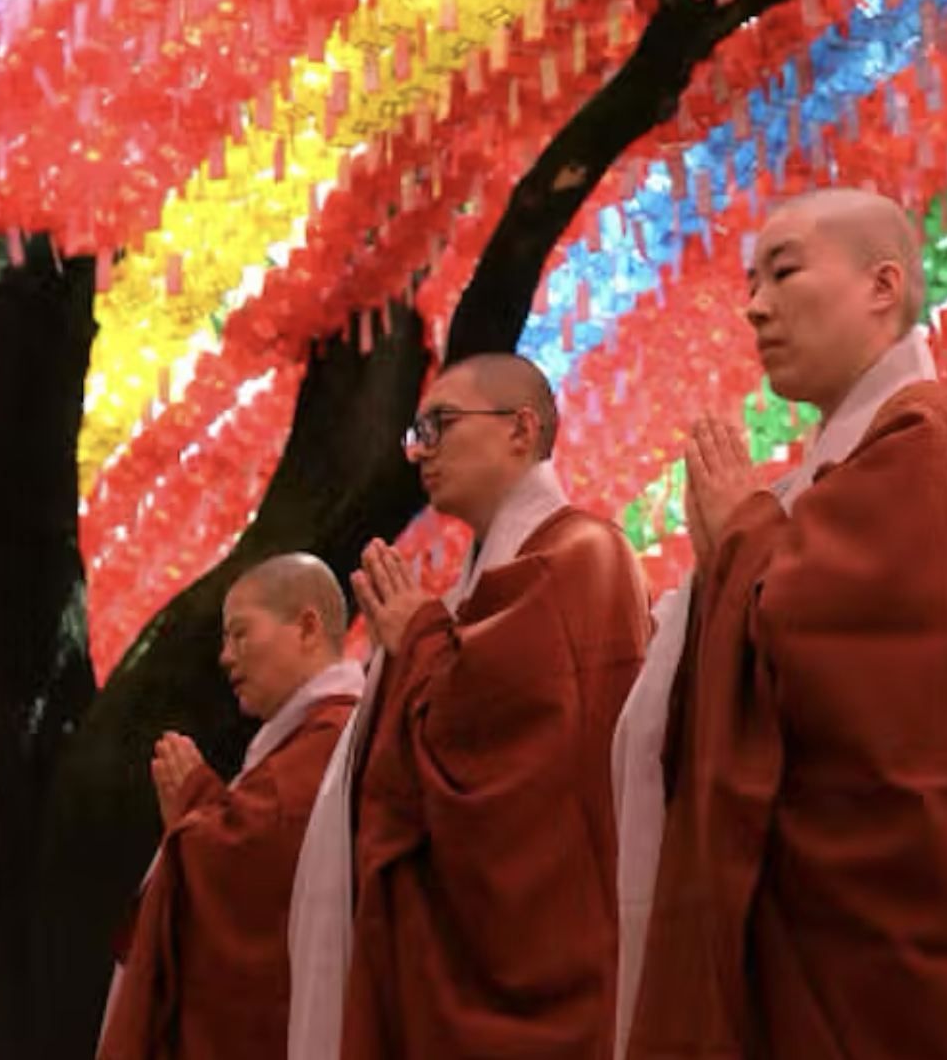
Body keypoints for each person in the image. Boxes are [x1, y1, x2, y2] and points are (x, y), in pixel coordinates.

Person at [621, 188, 947, 1060]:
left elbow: (829, 644)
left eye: (783, 271)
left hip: (885, 923)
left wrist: (743, 535)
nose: (753, 306)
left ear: (882, 287)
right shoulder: (842, 465)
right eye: (751, 282)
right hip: (842, 912)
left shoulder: (926, 440)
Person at [285, 352, 651, 1060]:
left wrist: (419, 643)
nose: (420, 448)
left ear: (521, 430)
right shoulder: (461, 599)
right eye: (417, 431)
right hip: (438, 963)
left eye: (440, 424)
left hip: (541, 963)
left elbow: (513, 768)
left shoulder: (583, 555)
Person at [95, 555, 364, 1060]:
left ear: (307, 627)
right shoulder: (294, 745)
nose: (225, 656)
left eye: (240, 635)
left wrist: (195, 810)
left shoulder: (333, 738)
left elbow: (254, 865)